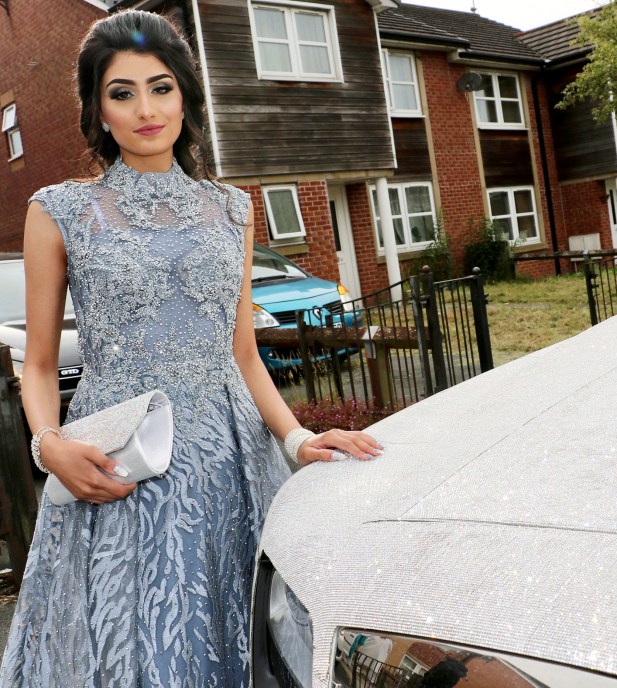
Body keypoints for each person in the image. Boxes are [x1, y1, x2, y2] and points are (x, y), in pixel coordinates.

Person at [0, 10, 382, 686]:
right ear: (98, 110)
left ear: (186, 96)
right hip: (124, 465)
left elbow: (242, 353)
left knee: (252, 635)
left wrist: (295, 440)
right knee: (141, 649)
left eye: (161, 86)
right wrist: (48, 445)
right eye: (122, 93)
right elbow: (33, 363)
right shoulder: (56, 210)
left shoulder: (232, 209)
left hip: (231, 461)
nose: (145, 108)